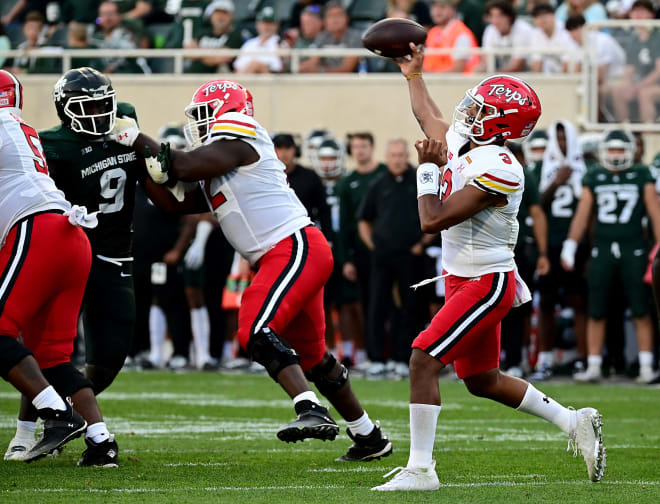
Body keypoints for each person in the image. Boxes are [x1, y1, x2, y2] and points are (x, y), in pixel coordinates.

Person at [107, 78, 393, 462]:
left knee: (254, 328)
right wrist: (137, 160)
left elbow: (182, 165)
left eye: (205, 115)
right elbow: (173, 203)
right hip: (286, 253)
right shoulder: (218, 158)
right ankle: (369, 436)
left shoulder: (243, 135)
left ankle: (310, 408)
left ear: (229, 113)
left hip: (293, 246)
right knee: (314, 359)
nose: (200, 124)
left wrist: (135, 138)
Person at [371, 45, 605, 491]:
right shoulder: (470, 143)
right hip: (464, 276)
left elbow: (431, 219)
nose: (467, 111)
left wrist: (425, 170)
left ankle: (420, 470)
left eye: (479, 108)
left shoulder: (502, 167)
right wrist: (413, 75)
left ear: (501, 123)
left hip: (487, 281)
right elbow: (429, 119)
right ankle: (574, 421)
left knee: (423, 358)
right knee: (482, 381)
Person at [0, 69, 116, 466]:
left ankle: (57, 413)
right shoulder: (20, 126)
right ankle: (102, 442)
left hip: (39, 231)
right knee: (52, 355)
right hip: (70, 234)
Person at [563, 129, 660, 384]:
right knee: (596, 309)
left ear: (630, 151)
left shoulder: (642, 174)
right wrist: (570, 245)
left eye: (620, 150)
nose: (616, 155)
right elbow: (583, 214)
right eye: (612, 149)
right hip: (603, 247)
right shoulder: (595, 175)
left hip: (634, 248)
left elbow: (654, 213)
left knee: (640, 308)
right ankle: (594, 365)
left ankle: (647, 365)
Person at [358, 139, 429, 378]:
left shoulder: (419, 182)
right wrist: (372, 246)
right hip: (383, 256)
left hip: (411, 255)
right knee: (378, 304)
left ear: (407, 155)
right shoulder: (378, 184)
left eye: (401, 155)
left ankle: (403, 357)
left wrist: (422, 244)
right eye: (393, 155)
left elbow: (436, 216)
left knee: (410, 307)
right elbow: (364, 220)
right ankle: (377, 358)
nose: (397, 160)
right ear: (387, 157)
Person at [534, 120, 588, 380]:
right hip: (550, 243)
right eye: (559, 139)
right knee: (545, 302)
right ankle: (544, 359)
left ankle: (582, 358)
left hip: (576, 244)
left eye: (566, 138)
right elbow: (538, 205)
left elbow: (589, 209)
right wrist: (557, 182)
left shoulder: (584, 169)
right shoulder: (545, 169)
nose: (563, 144)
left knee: (579, 301)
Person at [336, 133, 387, 369]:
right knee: (367, 303)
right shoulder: (347, 183)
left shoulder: (386, 174)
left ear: (372, 147)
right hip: (362, 253)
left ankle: (396, 354)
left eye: (363, 146)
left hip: (390, 248)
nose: (359, 151)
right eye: (355, 147)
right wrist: (347, 259)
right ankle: (370, 353)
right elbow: (345, 224)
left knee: (395, 304)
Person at [184, 0, 244, 74]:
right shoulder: (203, 33)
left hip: (219, 82)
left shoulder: (235, 36)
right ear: (210, 15)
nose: (220, 17)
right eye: (217, 13)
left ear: (231, 16)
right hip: (193, 78)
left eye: (224, 13)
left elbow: (223, 58)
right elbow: (188, 52)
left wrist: (199, 54)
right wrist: (214, 54)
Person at [302, 1, 362, 73]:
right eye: (330, 16)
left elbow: (347, 69)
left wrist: (321, 71)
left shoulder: (355, 36)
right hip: (324, 81)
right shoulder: (321, 36)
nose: (335, 20)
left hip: (349, 82)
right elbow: (313, 63)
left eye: (338, 15)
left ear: (346, 18)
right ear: (325, 21)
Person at [423, 0, 480, 74]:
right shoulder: (433, 32)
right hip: (436, 82)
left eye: (442, 7)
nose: (437, 11)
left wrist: (432, 76)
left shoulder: (461, 33)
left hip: (460, 83)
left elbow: (458, 69)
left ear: (453, 11)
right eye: (434, 7)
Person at [480, 0, 535, 73]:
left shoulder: (523, 30)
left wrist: (493, 75)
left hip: (529, 77)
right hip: (506, 76)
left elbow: (516, 66)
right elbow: (486, 60)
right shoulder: (490, 30)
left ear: (510, 16)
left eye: (500, 16)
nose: (496, 21)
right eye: (492, 16)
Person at [529, 3, 580, 74]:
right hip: (547, 79)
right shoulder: (535, 33)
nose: (541, 19)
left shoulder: (566, 30)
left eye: (544, 15)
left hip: (569, 78)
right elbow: (536, 64)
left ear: (554, 15)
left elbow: (567, 65)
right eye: (537, 16)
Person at [233, 6, 283, 74]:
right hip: (247, 78)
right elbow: (237, 68)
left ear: (276, 25)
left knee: (255, 65)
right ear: (257, 25)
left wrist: (257, 66)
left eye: (270, 23)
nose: (266, 26)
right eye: (264, 22)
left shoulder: (281, 43)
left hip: (270, 81)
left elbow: (280, 69)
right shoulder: (249, 44)